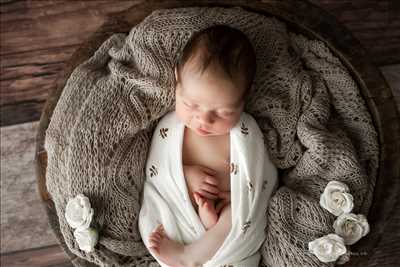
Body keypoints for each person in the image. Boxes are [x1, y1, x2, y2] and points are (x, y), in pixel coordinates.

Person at [146, 24, 257, 267]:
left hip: (226, 222)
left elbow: (260, 181)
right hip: (182, 218)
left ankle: (192, 256)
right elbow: (157, 173)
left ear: (244, 100)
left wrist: (234, 198)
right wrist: (185, 175)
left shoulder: (246, 132)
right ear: (177, 79)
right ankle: (190, 252)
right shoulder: (170, 129)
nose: (204, 120)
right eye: (191, 105)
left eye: (224, 111)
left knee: (238, 214)